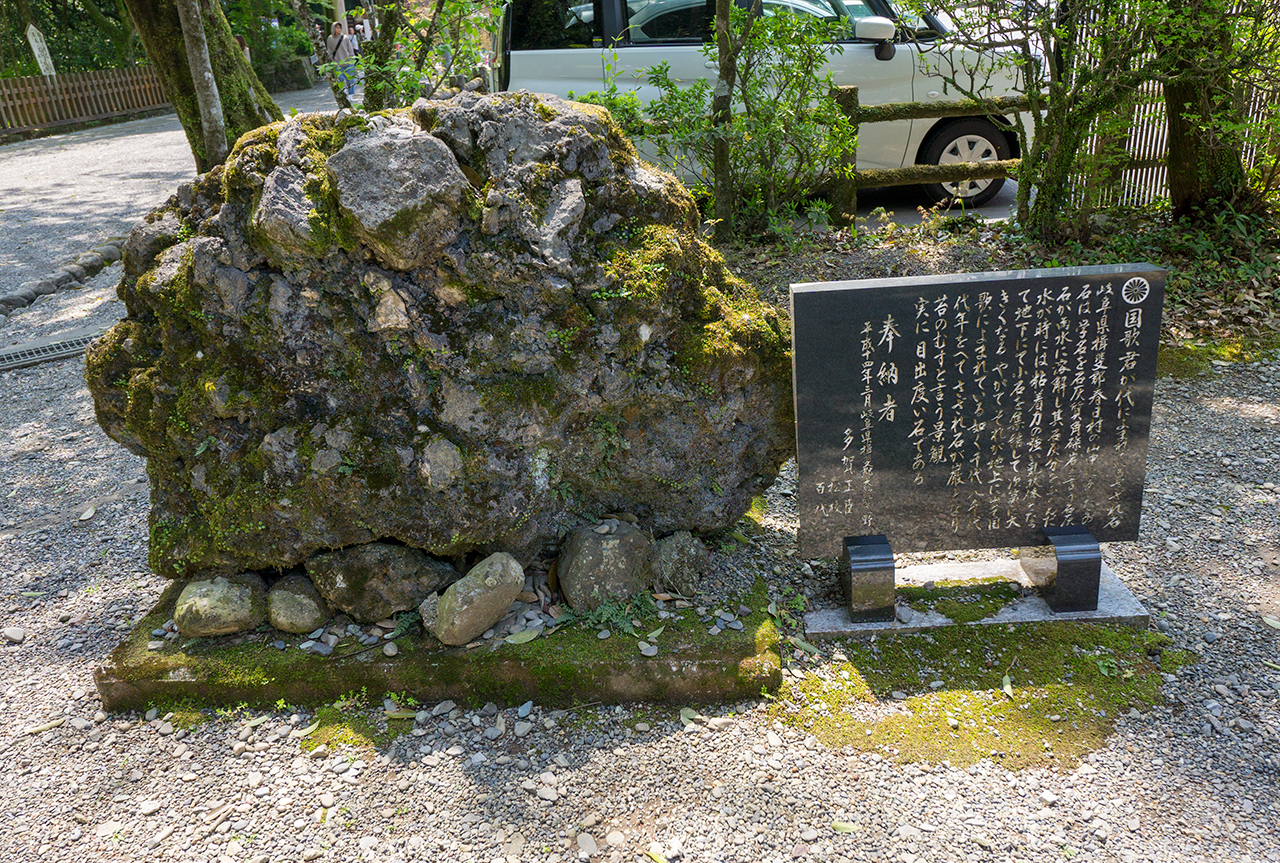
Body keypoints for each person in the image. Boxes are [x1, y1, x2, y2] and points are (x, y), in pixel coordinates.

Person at [326, 21, 357, 96]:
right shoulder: (330, 39)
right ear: (333, 28)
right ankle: (343, 92)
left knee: (350, 79)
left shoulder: (345, 37)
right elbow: (329, 50)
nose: (339, 29)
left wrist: (352, 59)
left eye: (340, 27)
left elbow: (350, 49)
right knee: (340, 79)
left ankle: (351, 94)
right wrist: (332, 60)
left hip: (347, 61)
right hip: (337, 63)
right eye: (337, 27)